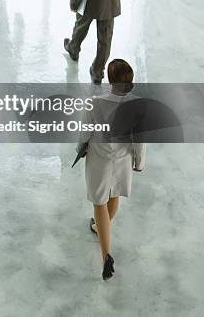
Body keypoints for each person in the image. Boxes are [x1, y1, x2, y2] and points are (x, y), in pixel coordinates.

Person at [77, 59, 146, 280]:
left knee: (99, 201)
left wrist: (80, 149)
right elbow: (140, 139)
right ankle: (100, 228)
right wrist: (139, 162)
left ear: (109, 80)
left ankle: (106, 255)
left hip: (100, 158)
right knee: (114, 194)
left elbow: (85, 133)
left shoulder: (95, 103)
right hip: (123, 158)